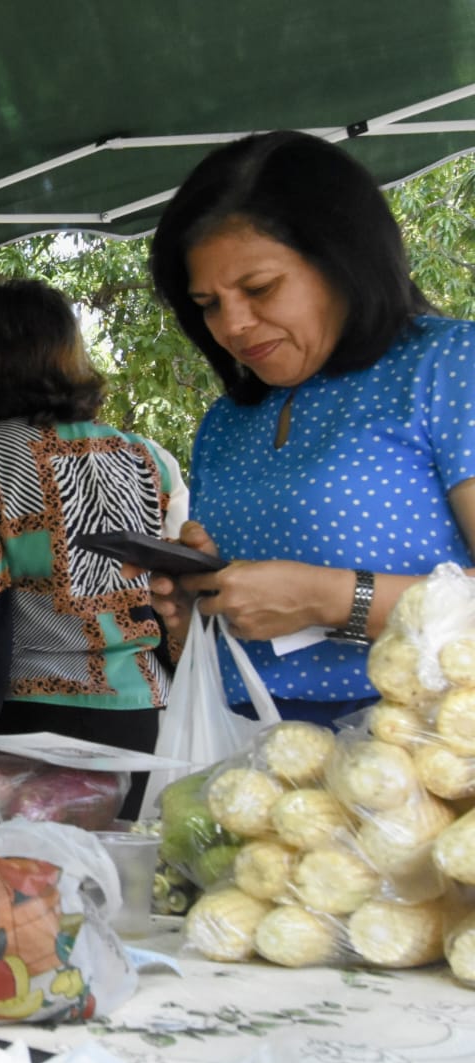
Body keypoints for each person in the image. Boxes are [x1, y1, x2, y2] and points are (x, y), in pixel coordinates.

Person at [148, 129, 475, 724]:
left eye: (259, 288)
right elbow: (235, 647)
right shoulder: (227, 422)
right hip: (260, 755)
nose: (233, 324)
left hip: (424, 752)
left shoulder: (448, 367)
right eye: (208, 304)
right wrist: (198, 605)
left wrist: (330, 599)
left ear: (342, 262)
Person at [0, 279, 188, 820]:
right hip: (141, 719)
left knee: (12, 873)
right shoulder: (152, 458)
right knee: (113, 867)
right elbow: (175, 597)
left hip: (18, 728)